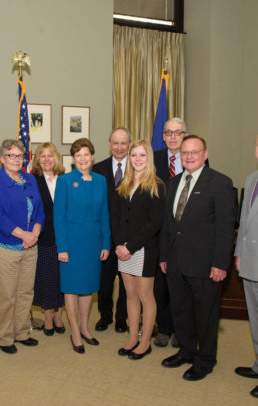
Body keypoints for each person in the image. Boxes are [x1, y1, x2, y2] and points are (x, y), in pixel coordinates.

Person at [160, 135, 235, 381]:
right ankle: (187, 350)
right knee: (180, 310)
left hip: (205, 264)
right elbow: (168, 225)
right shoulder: (173, 182)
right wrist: (163, 256)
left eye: (195, 152)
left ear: (205, 154)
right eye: (185, 152)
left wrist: (220, 264)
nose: (189, 156)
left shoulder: (220, 183)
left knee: (206, 314)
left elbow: (225, 228)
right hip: (175, 262)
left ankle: (206, 359)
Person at [0, 139, 44, 354]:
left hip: (30, 246)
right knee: (5, 294)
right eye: (11, 155)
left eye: (20, 155)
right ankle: (4, 336)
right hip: (4, 245)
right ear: (2, 158)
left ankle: (21, 332)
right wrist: (23, 235)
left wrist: (34, 233)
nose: (17, 159)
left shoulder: (30, 178)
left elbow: (39, 211)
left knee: (25, 292)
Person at [54, 138, 110, 354]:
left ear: (92, 156)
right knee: (71, 287)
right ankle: (74, 331)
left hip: (93, 243)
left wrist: (106, 242)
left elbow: (104, 213)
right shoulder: (65, 181)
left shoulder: (101, 181)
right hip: (71, 244)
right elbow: (59, 217)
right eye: (78, 155)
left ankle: (85, 327)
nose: (83, 159)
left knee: (88, 288)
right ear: (73, 159)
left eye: (86, 154)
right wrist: (62, 248)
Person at [111, 140, 165, 360]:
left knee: (145, 296)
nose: (138, 159)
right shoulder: (124, 183)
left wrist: (130, 247)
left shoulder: (157, 185)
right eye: (134, 155)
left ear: (149, 158)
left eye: (142, 155)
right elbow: (117, 219)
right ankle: (132, 338)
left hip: (142, 250)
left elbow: (154, 223)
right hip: (123, 250)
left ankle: (145, 342)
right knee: (130, 296)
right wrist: (118, 246)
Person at [153, 117, 187, 348]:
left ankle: (180, 328)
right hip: (158, 231)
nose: (173, 136)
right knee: (161, 284)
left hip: (185, 233)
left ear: (185, 135)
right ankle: (163, 327)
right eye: (168, 132)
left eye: (178, 132)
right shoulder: (152, 160)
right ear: (163, 137)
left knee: (182, 283)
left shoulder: (192, 158)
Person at [93, 127, 130, 333]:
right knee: (104, 282)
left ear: (129, 145)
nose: (119, 147)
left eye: (123, 143)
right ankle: (105, 316)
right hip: (104, 237)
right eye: (115, 143)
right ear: (109, 144)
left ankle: (122, 318)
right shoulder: (98, 169)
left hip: (127, 238)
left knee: (126, 283)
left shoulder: (137, 168)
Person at [32, 143, 65, 336]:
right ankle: (47, 317)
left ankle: (59, 315)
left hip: (63, 237)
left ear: (56, 158)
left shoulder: (65, 180)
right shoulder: (32, 180)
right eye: (42, 156)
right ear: (37, 160)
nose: (46, 160)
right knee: (45, 278)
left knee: (61, 278)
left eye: (50, 156)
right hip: (43, 237)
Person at [234, 135, 258, 398]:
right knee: (255, 319)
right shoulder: (252, 180)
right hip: (250, 262)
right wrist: (239, 253)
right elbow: (243, 221)